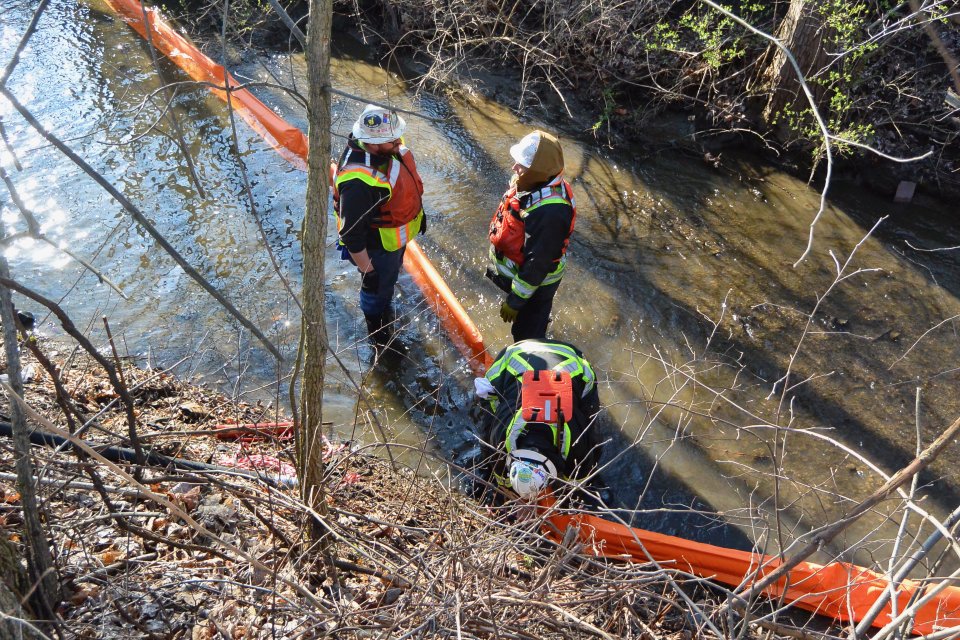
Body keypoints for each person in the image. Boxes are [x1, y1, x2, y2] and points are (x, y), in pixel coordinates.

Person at [333, 104, 425, 351]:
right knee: (375, 293)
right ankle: (378, 336)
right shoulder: (359, 182)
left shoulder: (384, 147)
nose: (399, 141)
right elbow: (352, 235)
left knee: (387, 283)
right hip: (376, 249)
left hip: (391, 243)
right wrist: (369, 271)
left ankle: (384, 304)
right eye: (392, 140)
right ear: (373, 144)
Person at [473, 339, 602, 502]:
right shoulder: (501, 436)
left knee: (591, 430)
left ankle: (593, 479)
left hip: (575, 364)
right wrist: (505, 493)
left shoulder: (576, 444)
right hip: (515, 357)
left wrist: (572, 494)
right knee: (489, 428)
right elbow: (490, 402)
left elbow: (576, 482)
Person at [487, 130, 576, 342]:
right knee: (533, 319)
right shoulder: (532, 182)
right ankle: (539, 319)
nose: (514, 168)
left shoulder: (552, 213)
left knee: (526, 335)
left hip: (537, 284)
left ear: (538, 171)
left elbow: (538, 264)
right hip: (522, 274)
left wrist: (515, 301)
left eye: (521, 166)